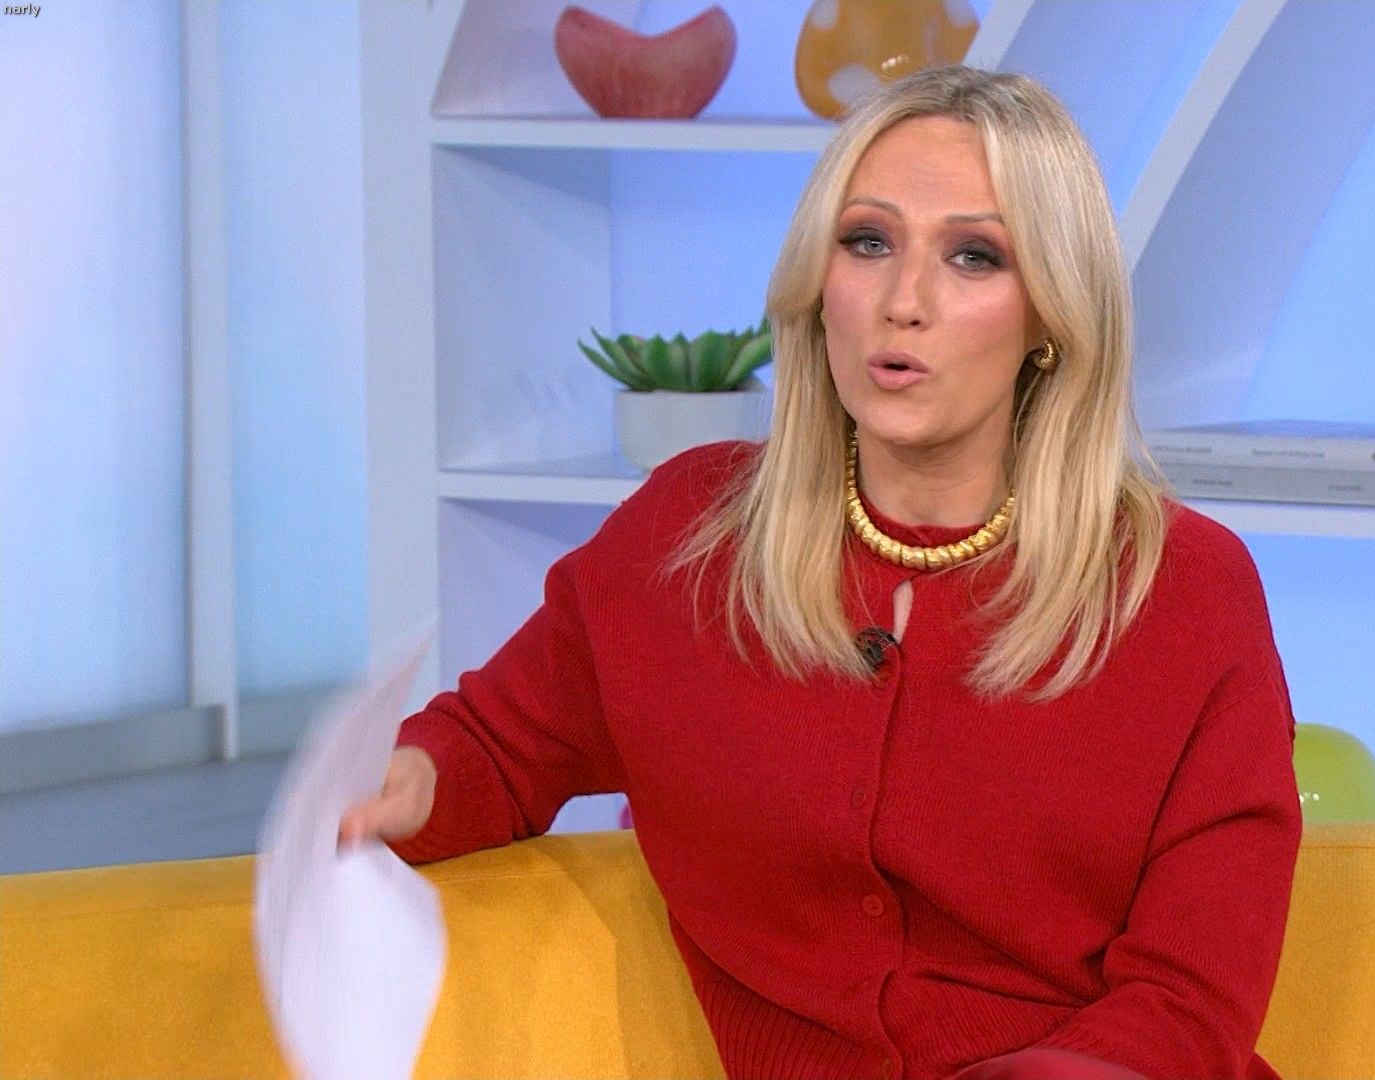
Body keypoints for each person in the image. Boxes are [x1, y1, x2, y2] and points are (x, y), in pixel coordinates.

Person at [339, 64, 1301, 1080]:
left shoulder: (1182, 588)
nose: (902, 302)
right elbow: (500, 749)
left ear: (1051, 323)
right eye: (867, 242)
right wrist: (404, 785)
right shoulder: (687, 540)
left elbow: (1191, 1001)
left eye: (974, 256)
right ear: (817, 282)